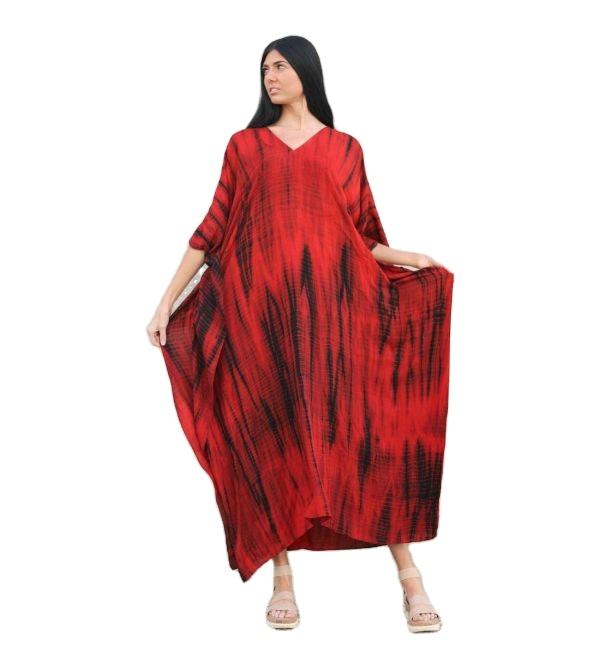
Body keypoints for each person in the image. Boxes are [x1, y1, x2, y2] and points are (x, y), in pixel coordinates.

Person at [147, 35, 454, 634]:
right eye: (264, 68)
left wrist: (410, 257)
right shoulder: (245, 147)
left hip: (335, 317)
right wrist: (166, 302)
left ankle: (410, 577)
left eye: (280, 66)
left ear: (306, 71)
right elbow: (212, 229)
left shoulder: (344, 149)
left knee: (363, 430)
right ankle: (282, 578)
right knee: (272, 432)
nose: (270, 76)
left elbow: (361, 234)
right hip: (259, 316)